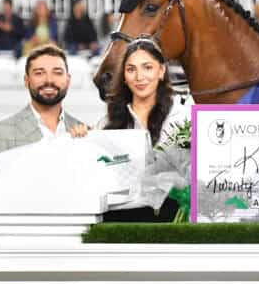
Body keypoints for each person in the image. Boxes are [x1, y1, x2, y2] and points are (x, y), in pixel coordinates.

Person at [0, 45, 85, 284]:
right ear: (26, 81)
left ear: (68, 80)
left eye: (56, 72)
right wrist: (5, 256)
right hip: (14, 260)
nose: (48, 79)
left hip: (68, 261)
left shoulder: (84, 134)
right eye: (39, 73)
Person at [73, 38, 191, 222]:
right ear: (124, 77)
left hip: (170, 218)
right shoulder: (107, 123)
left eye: (147, 67)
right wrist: (81, 138)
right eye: (131, 69)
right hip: (119, 219)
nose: (139, 77)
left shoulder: (183, 117)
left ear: (161, 71)